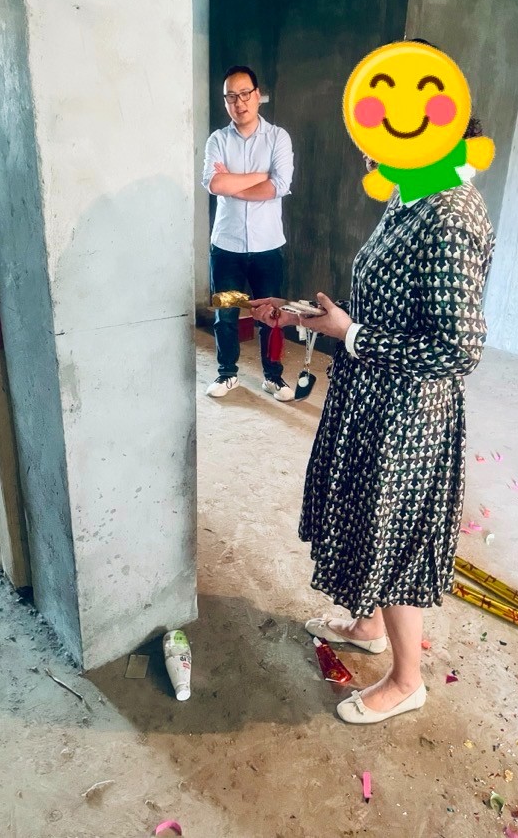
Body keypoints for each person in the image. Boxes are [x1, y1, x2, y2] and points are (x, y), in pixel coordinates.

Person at [252, 118, 494, 725]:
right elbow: (387, 306)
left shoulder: (451, 216)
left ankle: (408, 681)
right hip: (372, 398)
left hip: (408, 416)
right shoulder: (411, 193)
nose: (364, 150)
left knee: (393, 536)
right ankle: (368, 626)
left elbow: (456, 350)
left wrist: (353, 335)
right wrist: (305, 315)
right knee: (365, 520)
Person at [202, 65, 295, 402]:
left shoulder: (278, 138)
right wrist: (259, 176)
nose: (238, 103)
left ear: (257, 95)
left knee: (270, 316)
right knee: (225, 314)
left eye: (244, 94)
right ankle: (227, 373)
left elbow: (279, 185)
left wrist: (234, 186)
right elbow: (214, 184)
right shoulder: (218, 140)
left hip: (267, 246)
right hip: (226, 246)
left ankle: (273, 377)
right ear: (225, 102)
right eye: (231, 97)